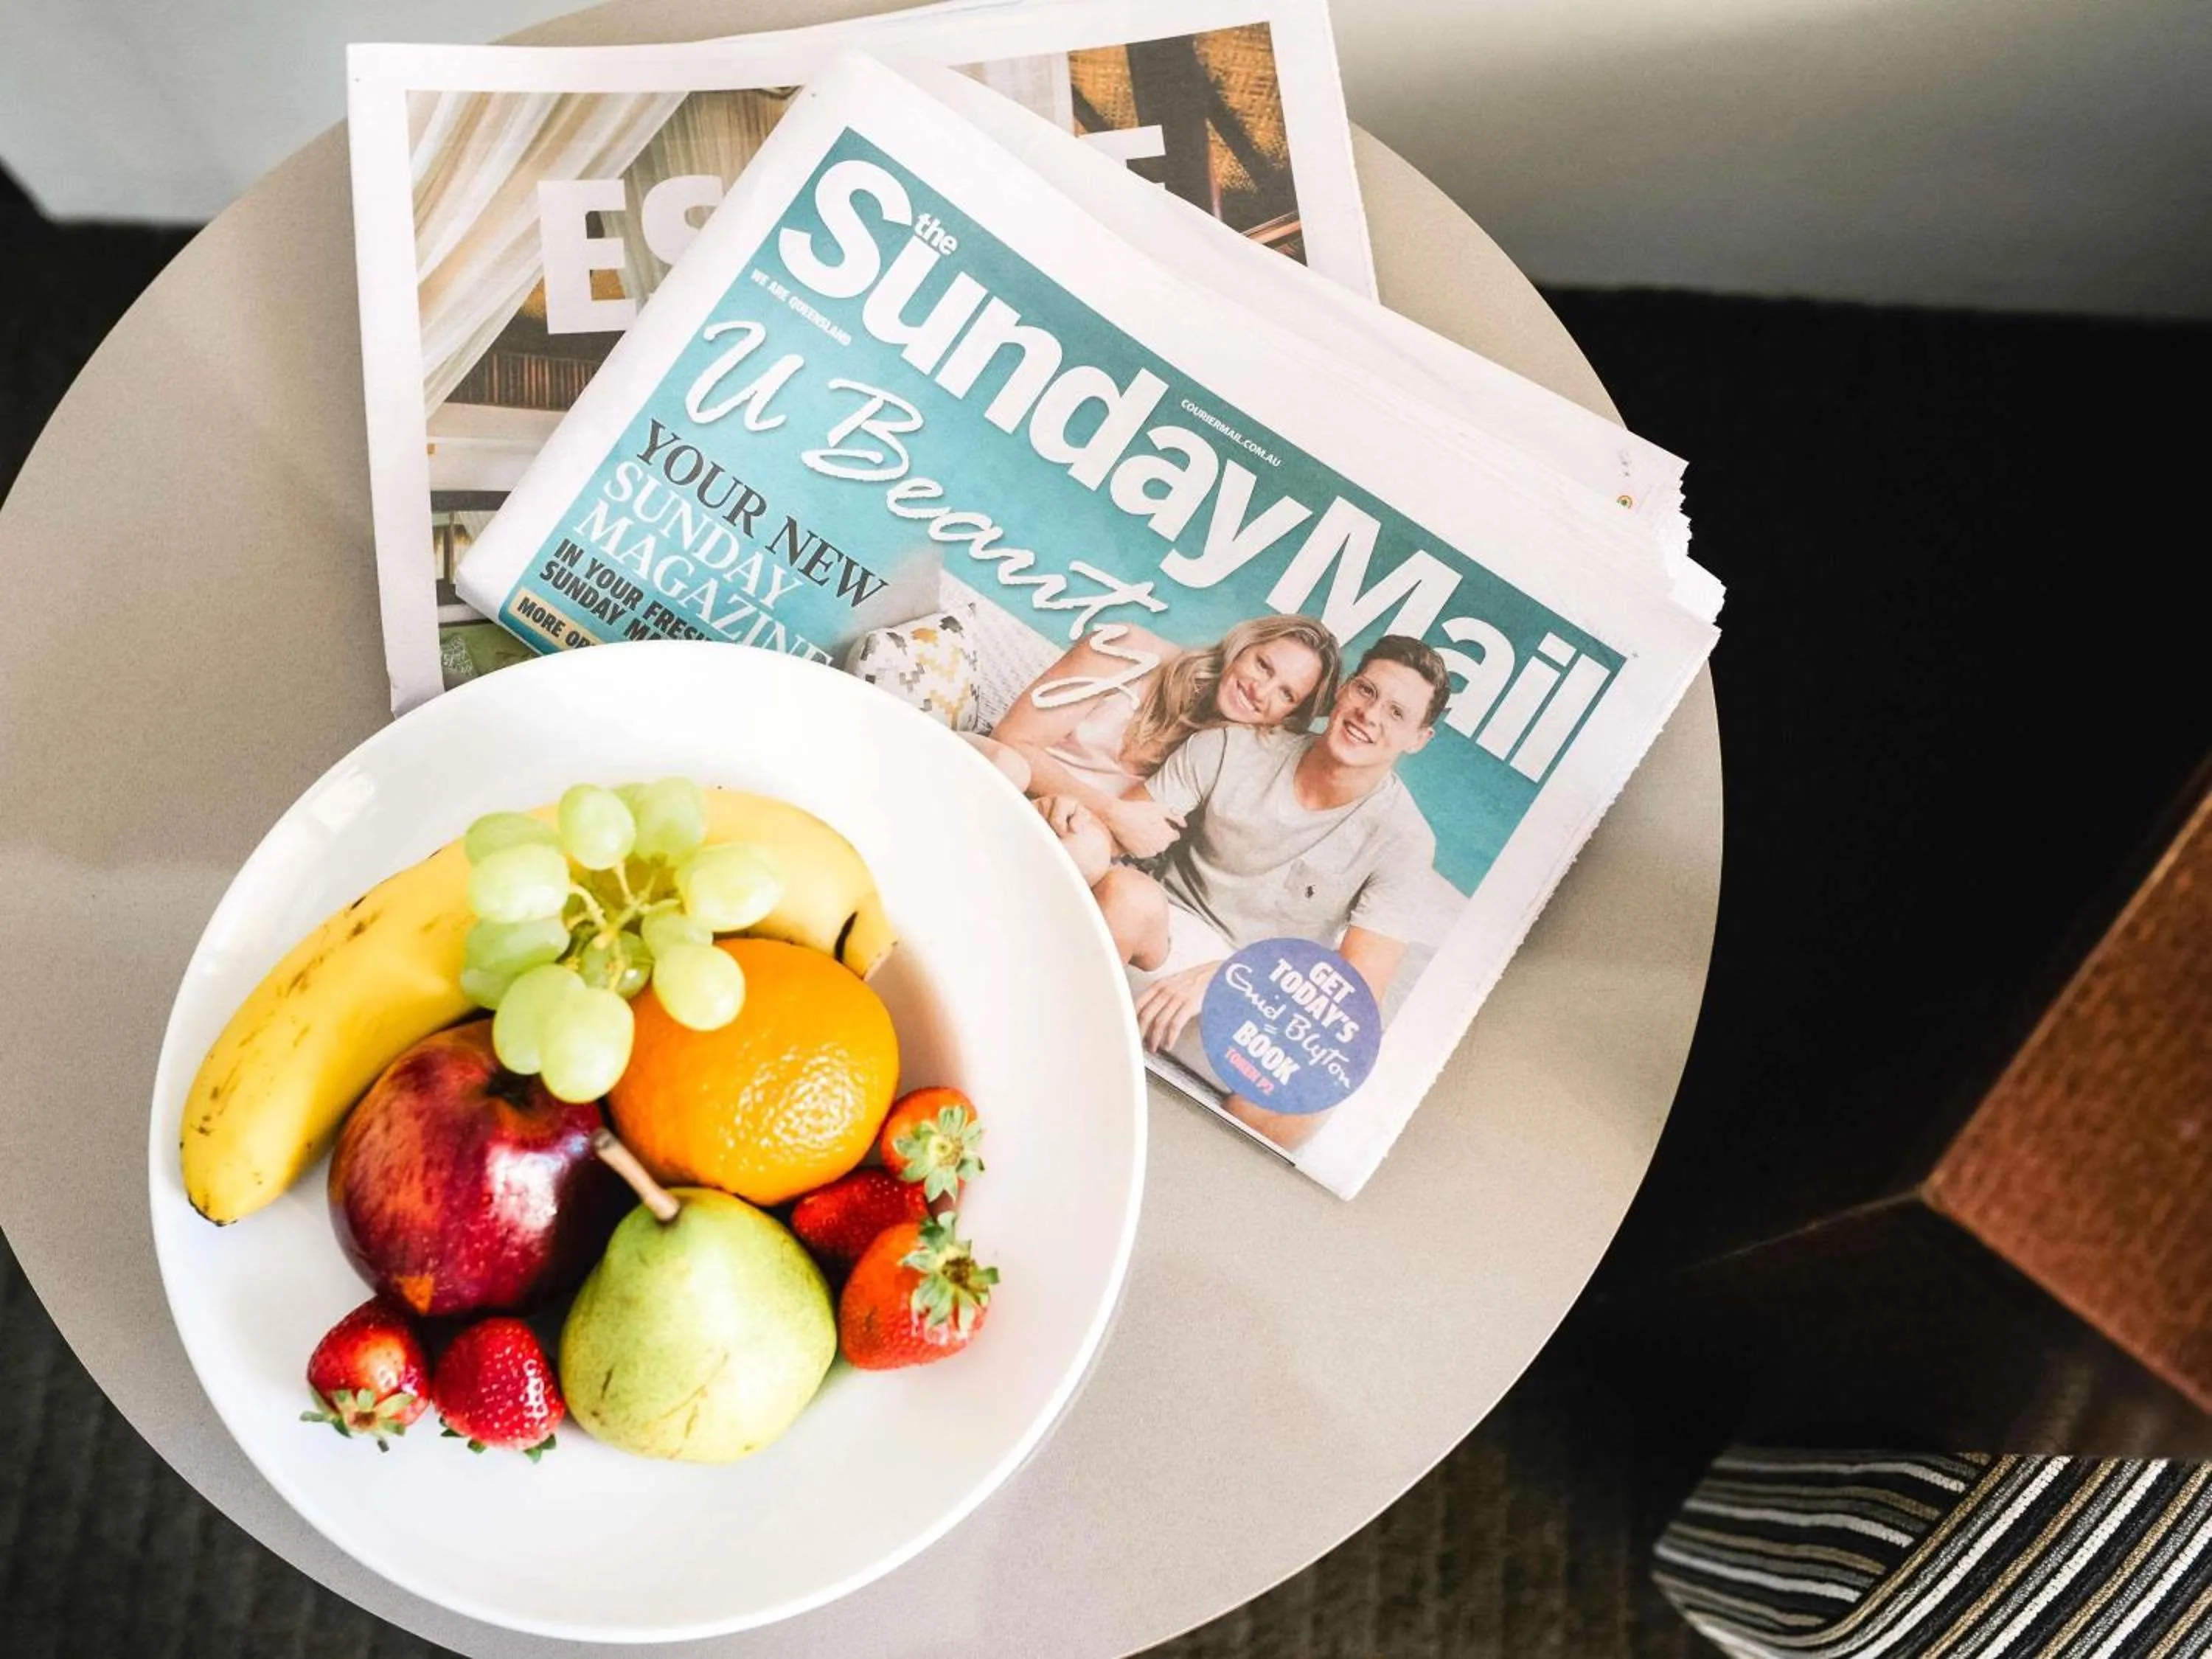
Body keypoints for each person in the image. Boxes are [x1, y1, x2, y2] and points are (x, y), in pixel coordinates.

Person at [1041, 634, 1451, 1151]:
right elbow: (1122, 831)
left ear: (1419, 738)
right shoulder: (1233, 746)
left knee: (1318, 1089)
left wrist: (1225, 976)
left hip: (1264, 992)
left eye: (1396, 712)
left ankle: (1166, 1159)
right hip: (1159, 939)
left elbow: (1355, 994)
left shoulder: (1406, 841)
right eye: (1366, 691)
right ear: (1344, 689)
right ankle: (1043, 1062)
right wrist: (1073, 817)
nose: (1370, 715)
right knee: (1124, 892)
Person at [976, 615, 1341, 877]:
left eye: (1286, 694)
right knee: (1008, 766)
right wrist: (1110, 810)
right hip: (996, 781)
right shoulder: (1129, 650)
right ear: (1243, 646)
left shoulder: (1219, 757)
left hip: (1054, 834)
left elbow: (1130, 841)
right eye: (1264, 665)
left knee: (1082, 852)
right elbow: (1011, 739)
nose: (1260, 691)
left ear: (1288, 718)